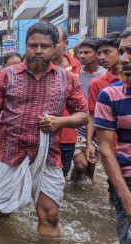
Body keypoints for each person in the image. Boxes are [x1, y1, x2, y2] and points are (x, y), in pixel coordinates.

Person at [0, 22, 88, 236]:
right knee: (1, 212)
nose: (38, 50)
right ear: (25, 45)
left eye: (44, 46)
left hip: (48, 155)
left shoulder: (68, 79)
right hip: (11, 153)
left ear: (56, 47)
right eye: (32, 45)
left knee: (50, 214)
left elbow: (83, 114)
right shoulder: (5, 76)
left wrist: (60, 122)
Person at [94, 28, 131, 244]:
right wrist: (125, 195)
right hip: (126, 178)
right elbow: (106, 149)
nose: (124, 59)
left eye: (130, 52)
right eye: (123, 51)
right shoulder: (109, 95)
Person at [86, 32, 122, 204]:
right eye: (99, 53)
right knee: (115, 194)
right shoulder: (98, 84)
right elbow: (92, 116)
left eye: (106, 52)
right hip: (113, 149)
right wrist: (89, 145)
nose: (101, 57)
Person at [70, 39, 106, 181]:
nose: (82, 56)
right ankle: (74, 190)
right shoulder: (74, 75)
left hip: (99, 127)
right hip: (77, 126)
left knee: (91, 165)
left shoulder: (105, 75)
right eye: (80, 53)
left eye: (87, 52)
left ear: (97, 54)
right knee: (80, 164)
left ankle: (86, 192)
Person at [0, 53, 23, 175]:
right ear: (4, 66)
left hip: (14, 133)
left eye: (19, 65)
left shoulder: (28, 83)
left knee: (11, 167)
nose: (16, 69)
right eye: (12, 66)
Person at [52, 27, 81, 179]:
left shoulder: (78, 68)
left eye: (55, 43)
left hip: (68, 135)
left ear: (65, 43)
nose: (50, 47)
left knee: (61, 177)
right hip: (43, 134)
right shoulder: (36, 67)